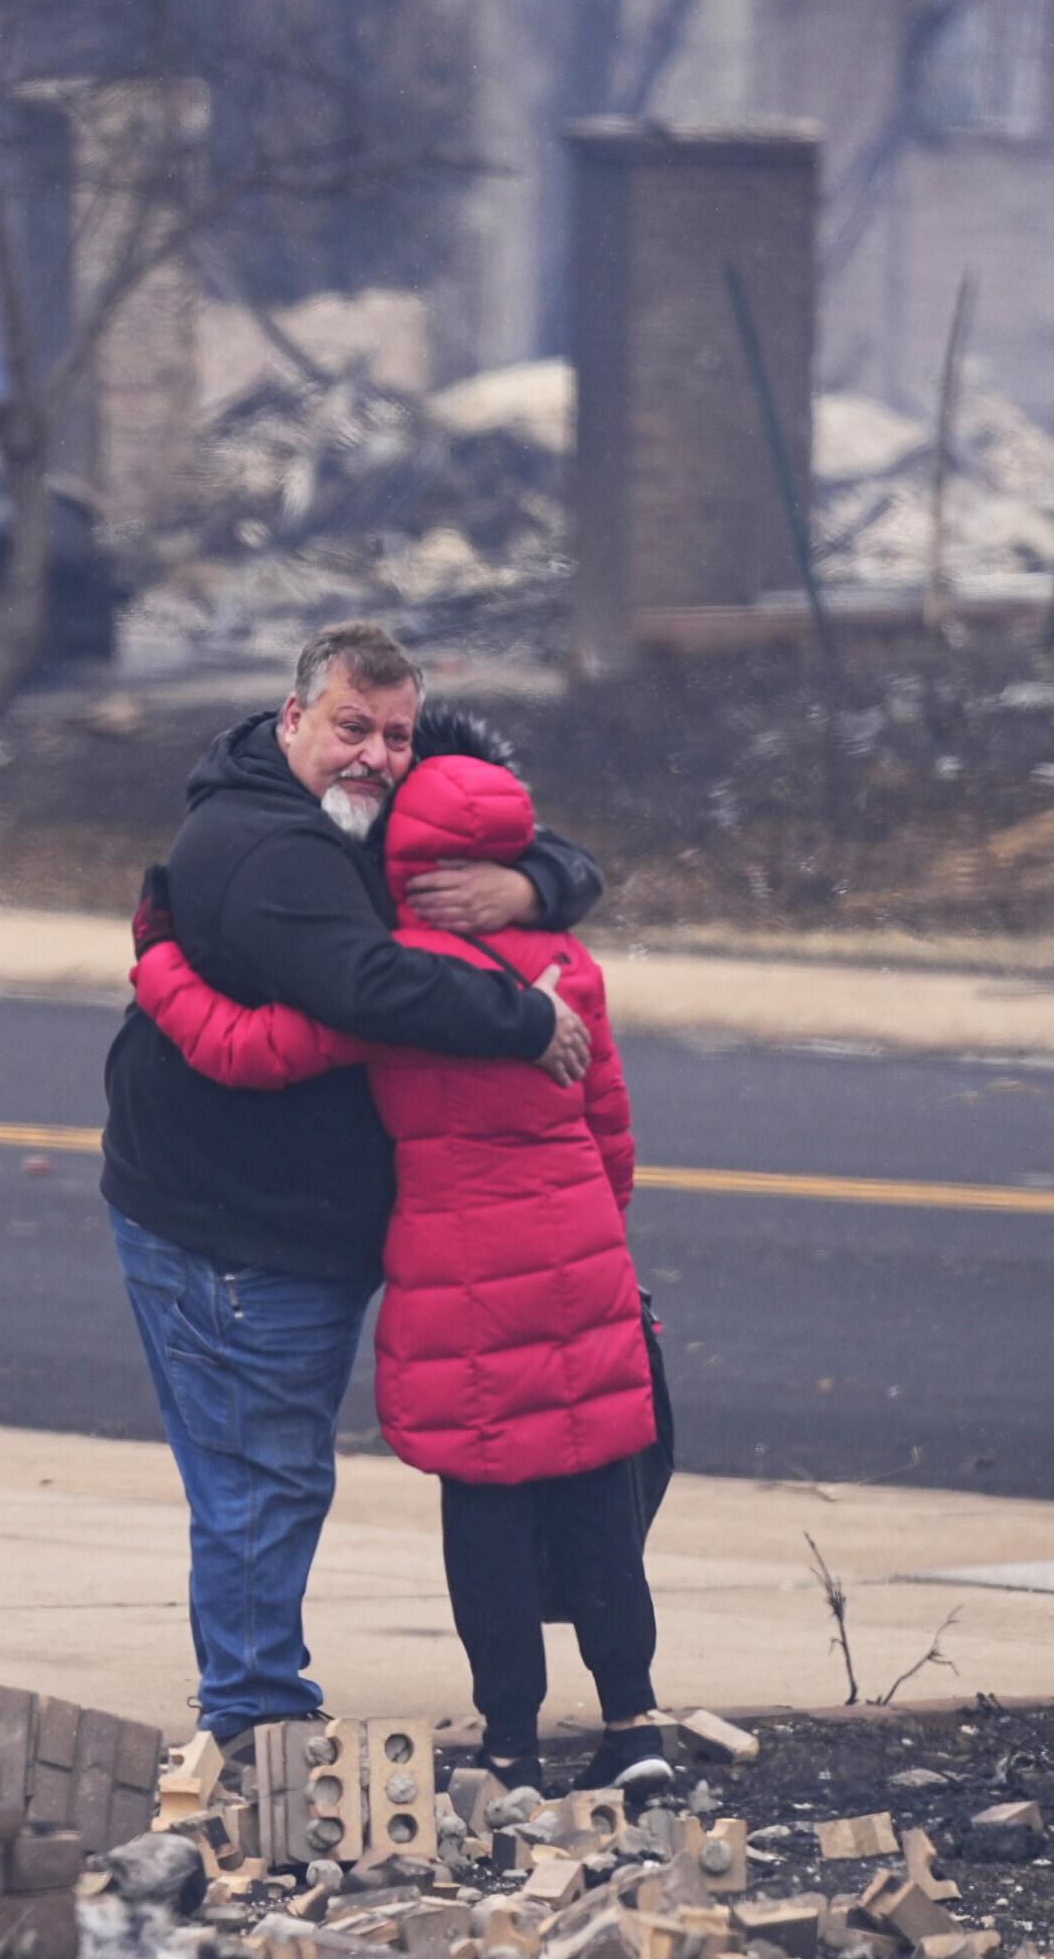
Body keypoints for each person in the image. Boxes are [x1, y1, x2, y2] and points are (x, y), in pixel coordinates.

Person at [132, 727, 669, 1795]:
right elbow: (611, 1125)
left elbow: (242, 1048)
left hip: (456, 1273)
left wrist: (158, 962)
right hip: (580, 1262)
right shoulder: (568, 965)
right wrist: (597, 1229)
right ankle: (634, 1727)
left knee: (490, 1511)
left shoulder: (390, 988)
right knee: (598, 1501)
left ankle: (511, 1743)